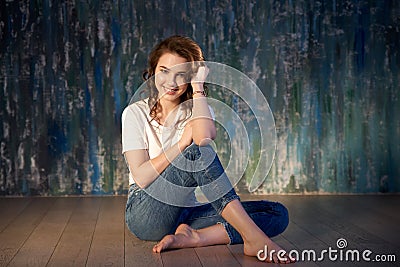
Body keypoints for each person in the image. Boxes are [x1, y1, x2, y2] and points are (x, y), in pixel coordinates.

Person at [122, 35, 294, 264]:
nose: (171, 82)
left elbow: (203, 137)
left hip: (186, 212)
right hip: (146, 212)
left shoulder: (198, 110)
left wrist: (198, 87)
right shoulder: (134, 113)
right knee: (195, 154)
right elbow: (142, 177)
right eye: (163, 71)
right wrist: (181, 144)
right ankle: (254, 239)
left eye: (181, 74)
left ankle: (195, 237)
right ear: (152, 71)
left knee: (277, 214)